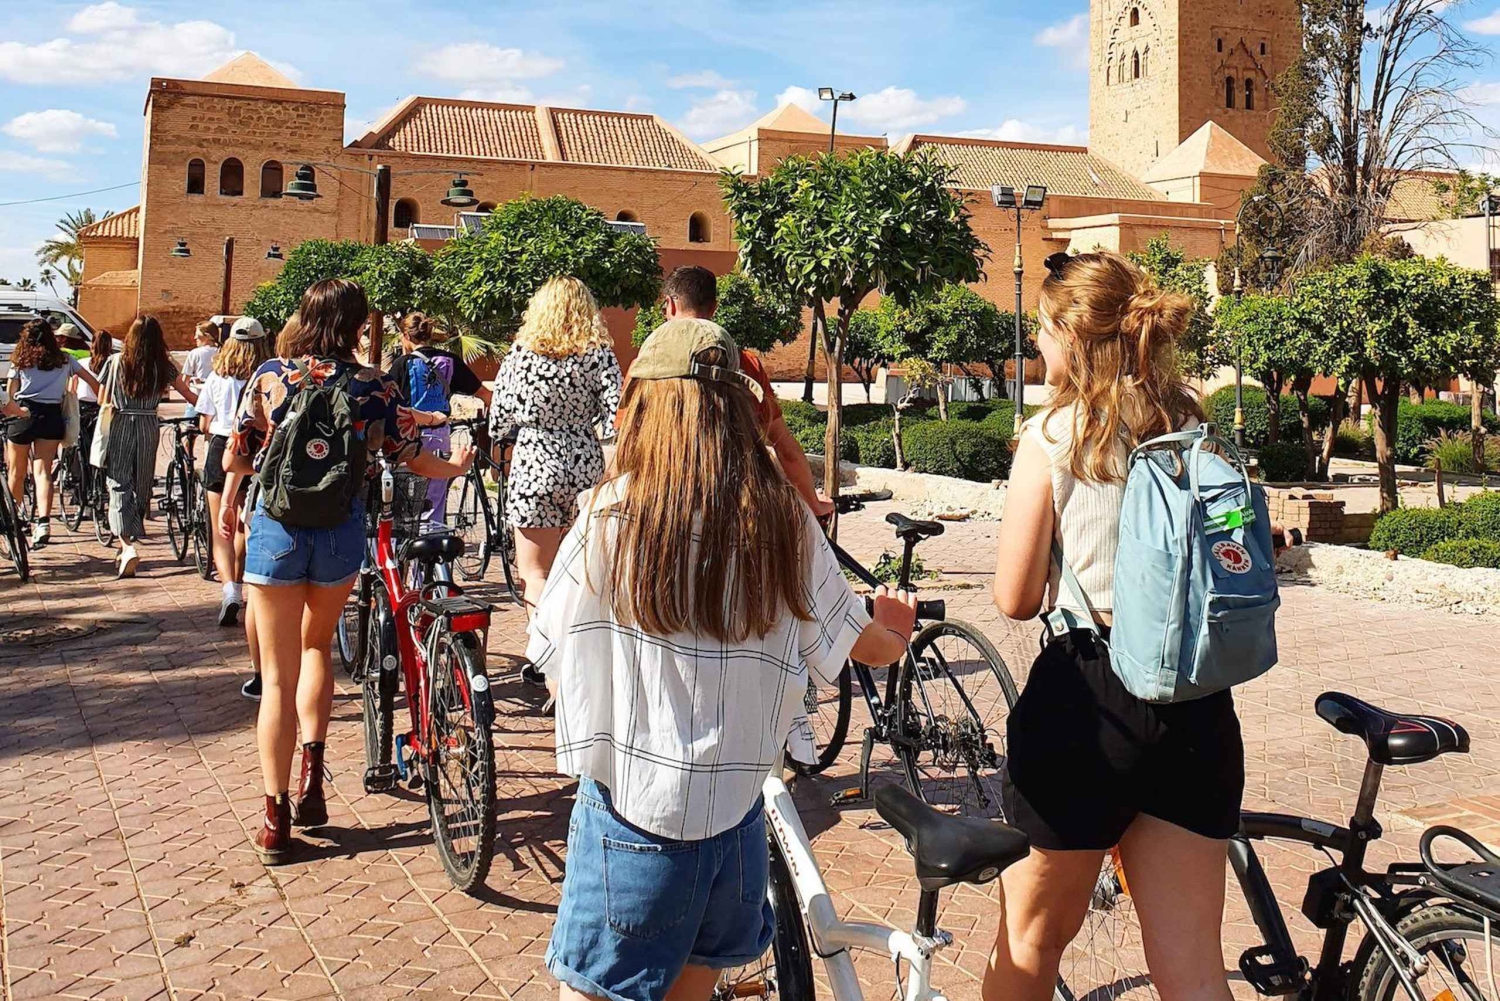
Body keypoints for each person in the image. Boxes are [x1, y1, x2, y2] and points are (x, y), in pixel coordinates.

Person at [530, 317, 918, 1001]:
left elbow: (551, 648)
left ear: (644, 410)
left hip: (634, 826)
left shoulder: (612, 516)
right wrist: (894, 625)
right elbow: (865, 643)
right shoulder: (780, 519)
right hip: (735, 833)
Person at [985, 251, 1239, 1001]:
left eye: (1041, 331)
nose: (1037, 346)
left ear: (1071, 334)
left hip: (1089, 698)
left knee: (1031, 940)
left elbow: (1014, 596)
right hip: (1194, 694)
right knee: (1194, 966)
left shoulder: (1054, 435)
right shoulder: (1190, 423)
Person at [221, 279, 474, 864]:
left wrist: (235, 496)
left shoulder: (271, 377)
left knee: (276, 677)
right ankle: (314, 774)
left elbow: (238, 450)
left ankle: (274, 815)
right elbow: (411, 456)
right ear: (359, 324)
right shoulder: (374, 387)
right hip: (339, 528)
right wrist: (455, 466)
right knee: (317, 651)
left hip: (277, 529)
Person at [652, 266, 834, 520]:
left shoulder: (649, 364)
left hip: (665, 505)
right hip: (735, 507)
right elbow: (785, 448)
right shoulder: (746, 364)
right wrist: (814, 504)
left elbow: (627, 448)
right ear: (714, 308)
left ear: (670, 306)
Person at [488, 276, 623, 617]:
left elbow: (499, 420)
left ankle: (541, 654)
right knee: (580, 569)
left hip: (534, 460)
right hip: (583, 462)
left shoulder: (520, 355)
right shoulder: (599, 355)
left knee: (535, 572)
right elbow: (615, 417)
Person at [99, 315, 198, 578]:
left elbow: (103, 397)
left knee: (118, 482)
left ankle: (126, 544)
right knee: (142, 481)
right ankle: (130, 535)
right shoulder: (163, 366)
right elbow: (189, 395)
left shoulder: (115, 361)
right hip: (148, 424)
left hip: (120, 421)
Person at [385, 311, 491, 530]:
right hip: (440, 435)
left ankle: (404, 548)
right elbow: (484, 394)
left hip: (408, 437)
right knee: (436, 495)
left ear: (406, 335)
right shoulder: (450, 361)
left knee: (405, 499)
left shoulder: (401, 365)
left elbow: (392, 406)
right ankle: (432, 547)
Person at [197, 316, 270, 628]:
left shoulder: (217, 377)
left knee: (219, 527)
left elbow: (203, 422)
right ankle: (244, 583)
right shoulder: (265, 377)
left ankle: (229, 591)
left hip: (222, 445)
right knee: (244, 524)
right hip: (255, 447)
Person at [5, 319, 101, 546]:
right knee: (43, 471)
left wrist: (16, 410)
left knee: (16, 471)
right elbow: (93, 381)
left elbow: (10, 394)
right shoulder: (64, 359)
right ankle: (44, 522)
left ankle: (14, 519)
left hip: (24, 414)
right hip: (52, 415)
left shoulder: (20, 360)